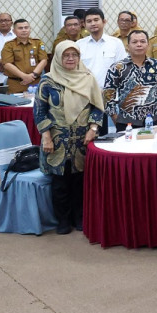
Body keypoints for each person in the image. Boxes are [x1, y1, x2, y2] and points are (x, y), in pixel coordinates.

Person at [33, 41, 104, 233]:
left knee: (80, 181)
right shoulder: (48, 81)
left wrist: (93, 129)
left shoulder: (88, 78)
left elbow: (97, 107)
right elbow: (40, 112)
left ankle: (79, 217)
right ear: (58, 57)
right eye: (66, 55)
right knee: (60, 183)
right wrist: (46, 137)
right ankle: (62, 220)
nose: (71, 58)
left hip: (83, 139)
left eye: (75, 55)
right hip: (56, 140)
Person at [102, 30, 157, 129]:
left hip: (154, 120)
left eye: (142, 41)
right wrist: (115, 117)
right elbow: (108, 94)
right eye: (135, 42)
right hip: (126, 122)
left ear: (148, 45)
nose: (139, 44)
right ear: (128, 46)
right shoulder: (117, 67)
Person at [76, 8, 127, 90]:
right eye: (89, 21)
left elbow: (122, 68)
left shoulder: (116, 43)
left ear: (104, 22)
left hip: (110, 92)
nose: (93, 23)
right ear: (84, 25)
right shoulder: (79, 45)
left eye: (96, 20)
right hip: (86, 92)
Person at [0, 18, 48, 94]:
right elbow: (7, 64)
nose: (24, 30)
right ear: (14, 31)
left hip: (35, 83)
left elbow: (44, 60)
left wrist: (32, 75)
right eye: (20, 28)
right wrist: (24, 76)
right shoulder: (9, 45)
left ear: (30, 29)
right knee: (15, 105)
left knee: (37, 105)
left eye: (26, 27)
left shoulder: (38, 43)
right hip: (16, 84)